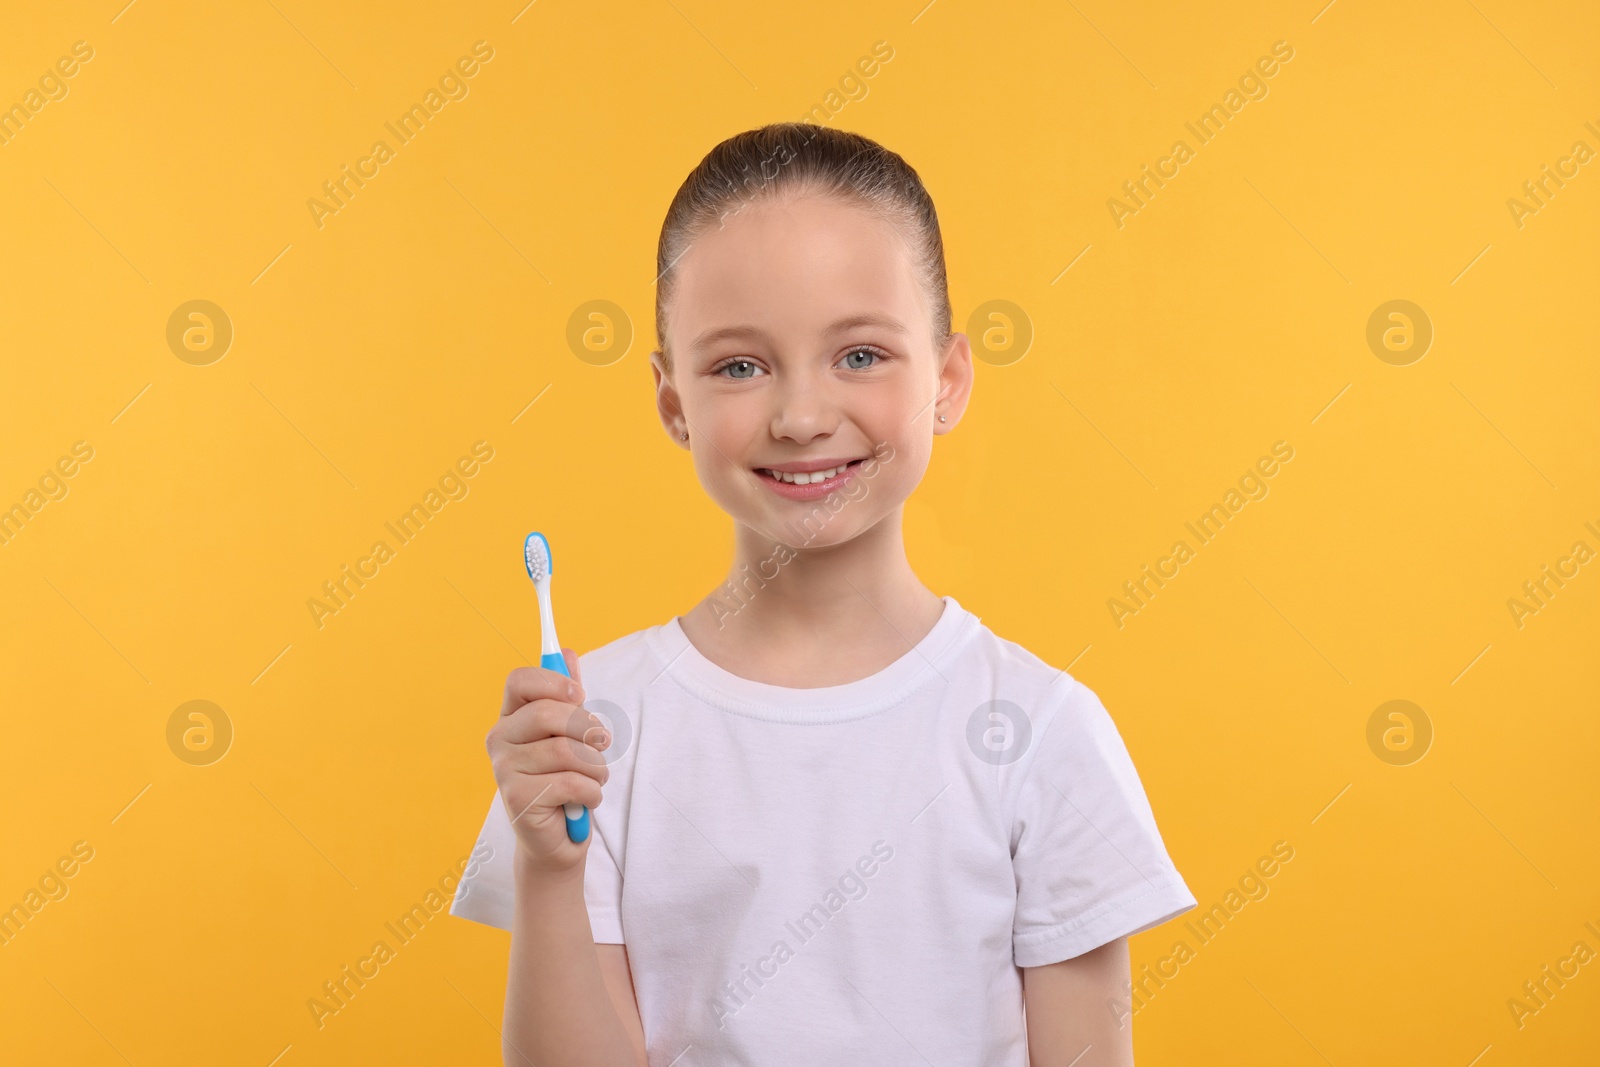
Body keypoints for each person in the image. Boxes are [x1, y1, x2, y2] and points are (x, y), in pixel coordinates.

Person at [451, 121, 1196, 1066]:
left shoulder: (1040, 730)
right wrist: (549, 875)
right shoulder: (595, 731)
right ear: (673, 403)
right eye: (738, 366)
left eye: (859, 355)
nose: (802, 417)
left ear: (949, 380)